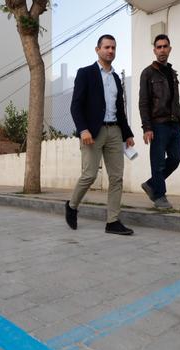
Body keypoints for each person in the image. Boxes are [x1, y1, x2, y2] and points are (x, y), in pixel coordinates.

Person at [65, 34, 136, 235]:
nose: (110, 51)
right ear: (98, 50)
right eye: (106, 47)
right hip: (92, 132)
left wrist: (127, 134)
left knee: (116, 177)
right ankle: (71, 206)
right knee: (89, 175)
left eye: (113, 47)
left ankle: (112, 221)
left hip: (115, 131)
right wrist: (83, 129)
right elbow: (76, 105)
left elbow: (119, 109)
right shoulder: (85, 73)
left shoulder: (115, 78)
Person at [139, 34, 180, 209]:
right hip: (158, 124)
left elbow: (176, 101)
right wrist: (147, 127)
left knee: (176, 158)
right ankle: (159, 195)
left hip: (174, 123)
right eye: (158, 47)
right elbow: (144, 102)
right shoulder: (148, 73)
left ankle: (152, 184)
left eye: (165, 46)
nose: (162, 50)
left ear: (170, 49)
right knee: (158, 162)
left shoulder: (173, 74)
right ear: (154, 50)